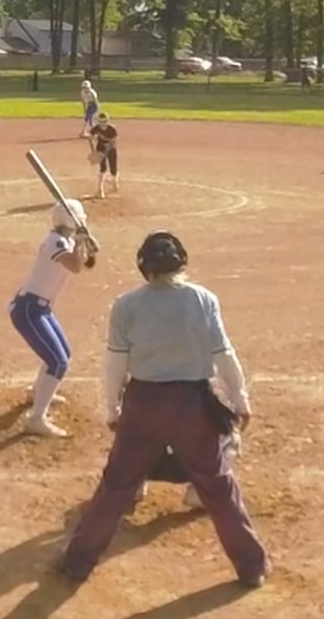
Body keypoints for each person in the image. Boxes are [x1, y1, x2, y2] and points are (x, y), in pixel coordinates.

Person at [57, 230, 268, 588]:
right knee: (218, 486)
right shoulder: (203, 299)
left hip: (143, 404)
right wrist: (240, 399)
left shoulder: (126, 305)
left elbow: (114, 366)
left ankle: (78, 562)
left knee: (116, 486)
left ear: (144, 267)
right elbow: (223, 355)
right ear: (181, 262)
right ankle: (252, 567)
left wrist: (112, 409)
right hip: (193, 404)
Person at [9, 199, 98, 438]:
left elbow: (87, 263)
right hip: (29, 310)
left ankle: (37, 391)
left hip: (41, 309)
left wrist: (86, 244)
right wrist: (80, 241)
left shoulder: (66, 241)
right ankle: (36, 419)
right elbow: (75, 266)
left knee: (63, 354)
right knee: (57, 362)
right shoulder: (54, 242)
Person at [89, 111, 119, 198]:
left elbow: (113, 142)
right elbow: (90, 138)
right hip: (100, 149)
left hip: (111, 150)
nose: (103, 124)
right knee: (103, 168)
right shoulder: (96, 128)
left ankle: (115, 182)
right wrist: (93, 150)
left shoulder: (112, 129)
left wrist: (106, 150)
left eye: (104, 121)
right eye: (101, 122)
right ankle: (100, 190)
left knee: (113, 169)